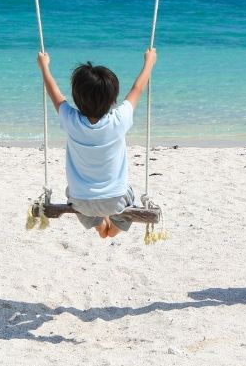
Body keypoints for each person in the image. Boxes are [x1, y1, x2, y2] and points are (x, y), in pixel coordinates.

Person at [36, 49, 157, 238]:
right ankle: (112, 228)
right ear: (112, 100)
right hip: (116, 200)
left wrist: (44, 66)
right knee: (123, 202)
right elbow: (137, 88)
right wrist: (149, 62)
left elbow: (53, 91)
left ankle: (100, 226)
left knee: (94, 218)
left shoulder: (70, 120)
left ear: (76, 98)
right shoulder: (120, 119)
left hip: (81, 200)